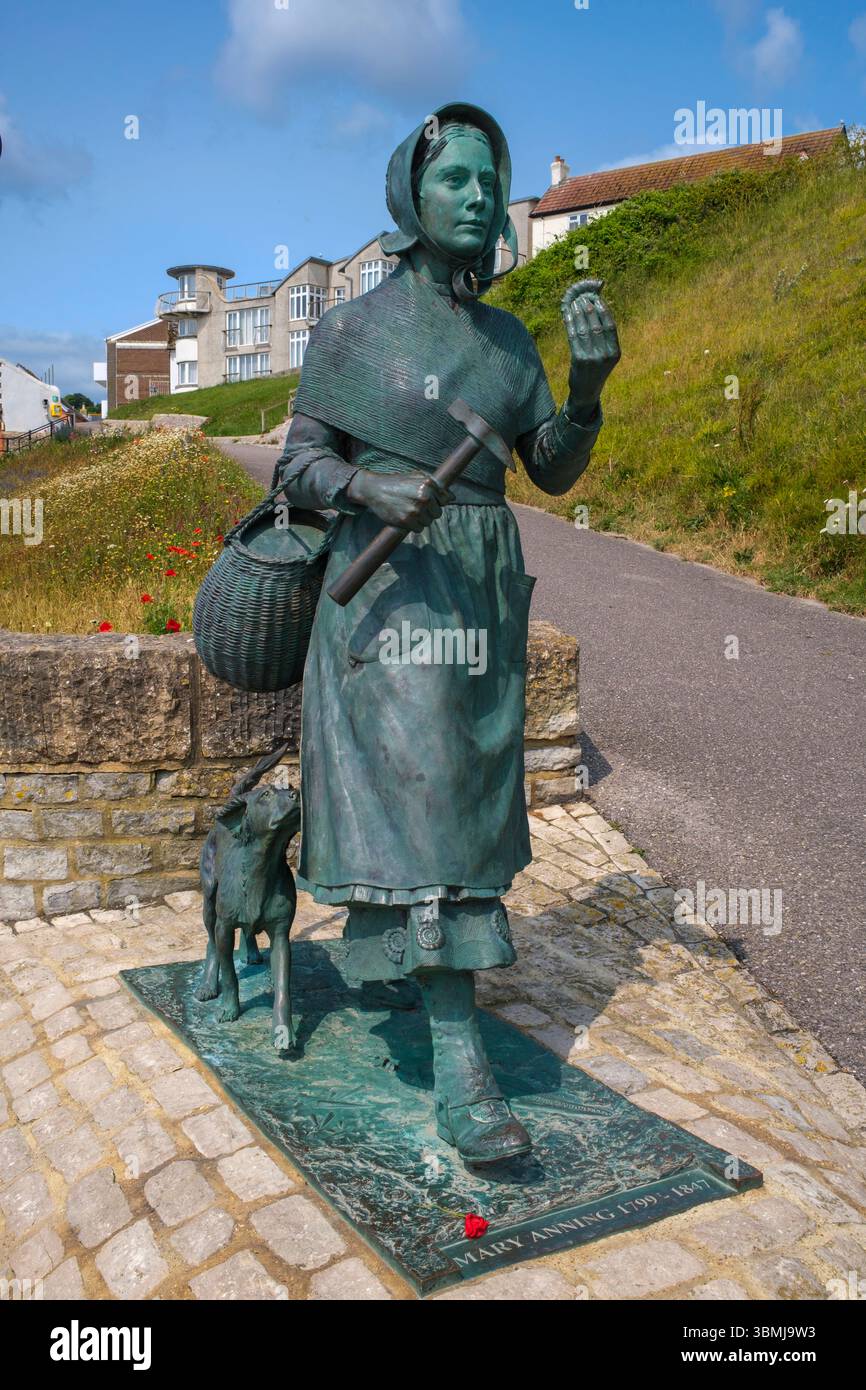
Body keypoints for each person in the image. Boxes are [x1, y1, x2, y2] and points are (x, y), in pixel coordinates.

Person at [275, 103, 621, 1165]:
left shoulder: (506, 342)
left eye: (489, 179)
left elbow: (547, 466)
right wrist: (367, 488)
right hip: (384, 600)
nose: (477, 195)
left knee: (465, 809)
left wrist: (587, 390)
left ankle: (426, 992)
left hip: (476, 595)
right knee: (421, 804)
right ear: (410, 200)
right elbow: (295, 467)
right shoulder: (351, 330)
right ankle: (459, 1052)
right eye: (456, 179)